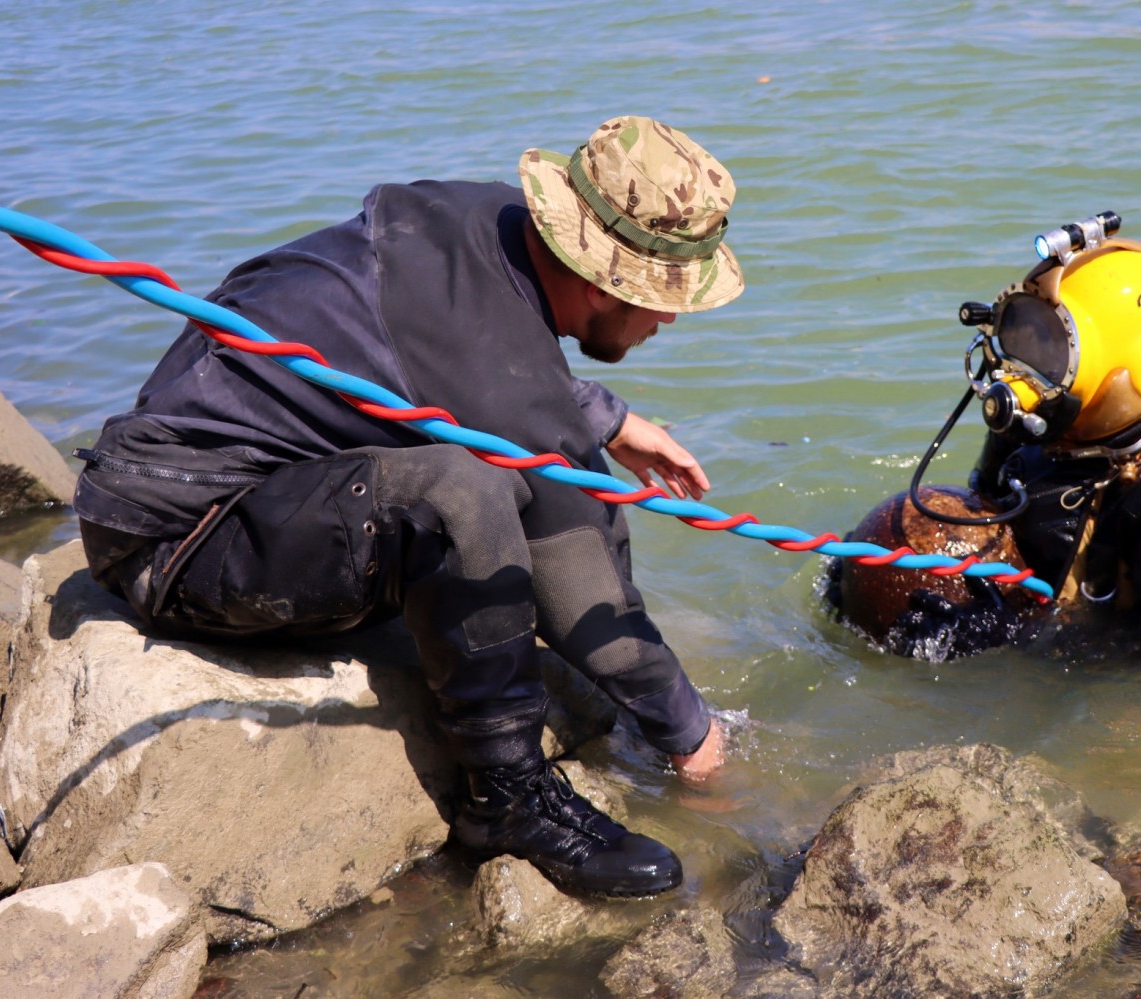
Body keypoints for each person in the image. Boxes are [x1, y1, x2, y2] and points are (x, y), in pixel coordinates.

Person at [70, 116, 740, 899]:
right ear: (602, 283)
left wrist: (609, 418)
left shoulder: (481, 224)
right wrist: (690, 734)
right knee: (466, 493)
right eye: (662, 302)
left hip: (236, 489)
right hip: (180, 537)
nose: (666, 321)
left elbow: (448, 360)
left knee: (550, 467)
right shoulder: (491, 363)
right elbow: (583, 583)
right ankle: (508, 800)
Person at [835, 214, 1141, 657]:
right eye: (1022, 334)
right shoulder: (1044, 425)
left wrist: (1012, 641)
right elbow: (987, 504)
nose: (1020, 373)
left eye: (1051, 350)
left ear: (1122, 378)